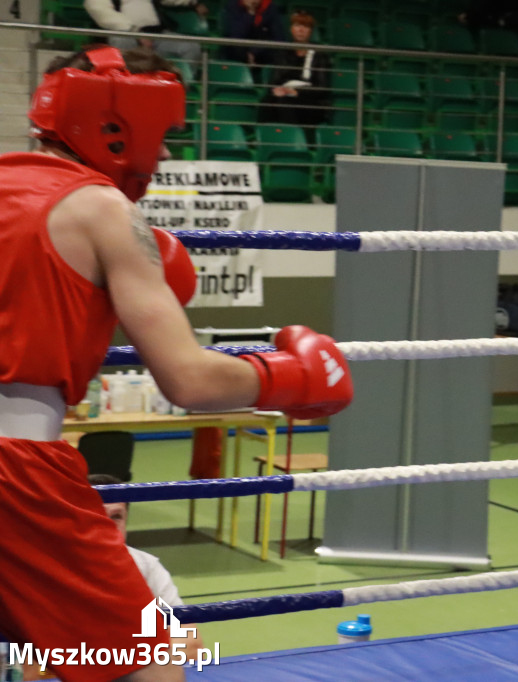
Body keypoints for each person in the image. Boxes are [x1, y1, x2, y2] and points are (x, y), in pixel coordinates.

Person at [0, 45, 353, 682]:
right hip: (15, 476)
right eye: (160, 136)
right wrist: (292, 374)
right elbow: (188, 380)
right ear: (116, 126)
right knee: (149, 667)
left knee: (51, 661)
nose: (162, 155)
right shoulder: (105, 211)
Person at [22, 474, 205, 681]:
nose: (107, 528)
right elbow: (36, 671)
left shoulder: (145, 567)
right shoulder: (45, 573)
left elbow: (191, 645)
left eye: (116, 517)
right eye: (95, 517)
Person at [259, 10, 330, 138]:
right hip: (285, 94)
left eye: (305, 26)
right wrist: (278, 90)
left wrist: (297, 92)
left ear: (311, 31)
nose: (301, 30)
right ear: (291, 29)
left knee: (285, 102)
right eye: (297, 26)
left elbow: (322, 87)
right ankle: (265, 139)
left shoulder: (320, 55)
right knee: (267, 101)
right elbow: (274, 80)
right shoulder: (283, 53)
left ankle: (291, 139)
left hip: (310, 99)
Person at [83, 0, 208, 62]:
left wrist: (193, 3)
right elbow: (100, 11)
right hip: (124, 32)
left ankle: (179, 88)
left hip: (157, 34)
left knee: (191, 47)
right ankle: (127, 85)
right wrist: (135, 32)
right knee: (122, 40)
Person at [220, 0, 288, 81]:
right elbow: (235, 35)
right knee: (231, 48)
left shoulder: (270, 8)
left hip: (262, 56)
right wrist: (250, 13)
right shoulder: (233, 6)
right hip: (237, 54)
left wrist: (254, 52)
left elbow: (279, 38)